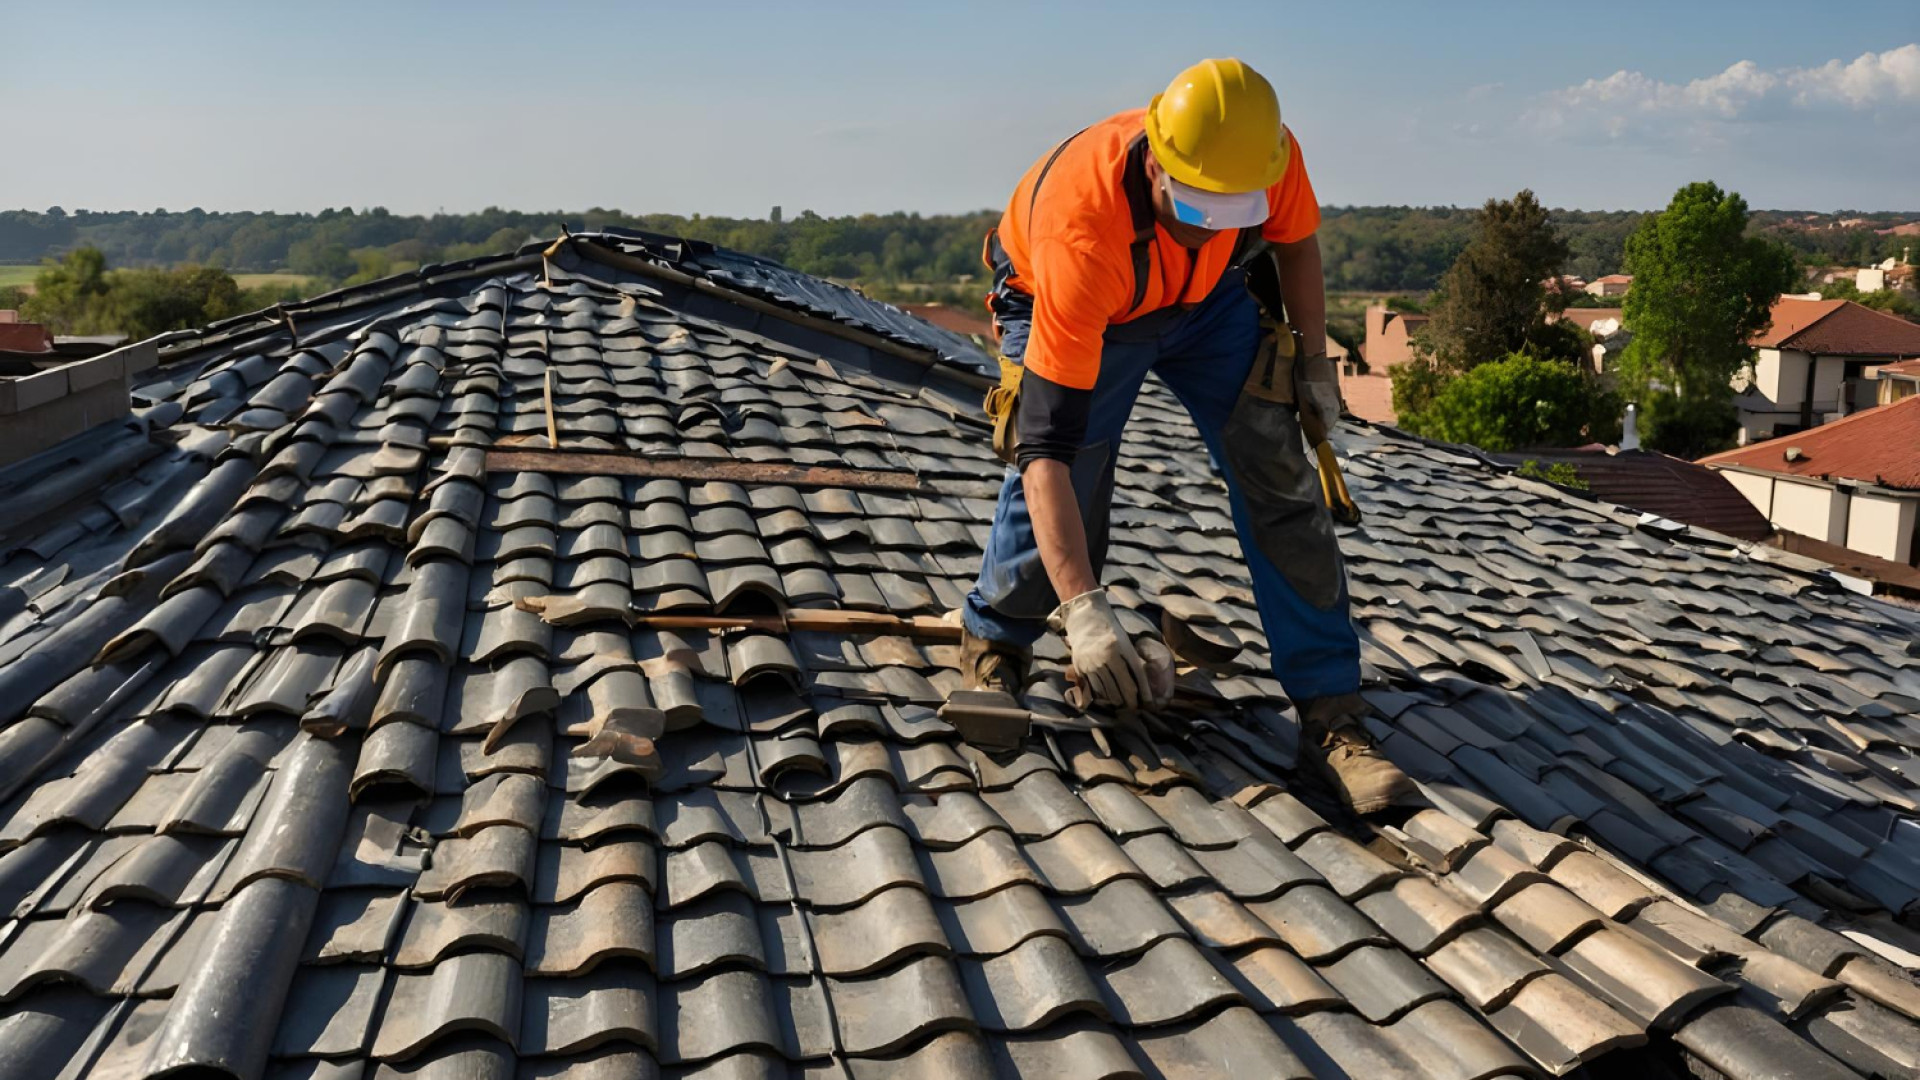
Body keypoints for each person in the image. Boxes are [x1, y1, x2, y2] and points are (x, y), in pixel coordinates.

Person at [960, 58, 1414, 814]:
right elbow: (1047, 452)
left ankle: (1332, 714)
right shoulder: (1085, 232)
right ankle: (996, 643)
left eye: (1231, 215)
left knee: (1281, 474)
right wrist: (1086, 614)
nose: (1214, 225)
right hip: (1092, 304)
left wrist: (1310, 361)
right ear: (1157, 163)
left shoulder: (1266, 154)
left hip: (1206, 305)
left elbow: (1295, 244)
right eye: (1199, 209)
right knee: (1079, 472)